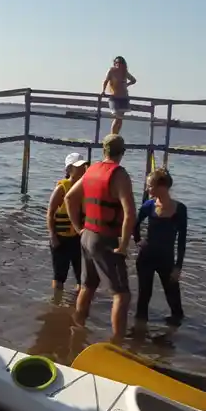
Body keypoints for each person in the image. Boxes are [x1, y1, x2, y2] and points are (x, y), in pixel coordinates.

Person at [65, 132, 136, 341]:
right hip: (105, 239)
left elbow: (69, 197)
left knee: (87, 286)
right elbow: (130, 213)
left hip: (87, 236)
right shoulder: (119, 174)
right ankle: (117, 344)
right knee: (121, 294)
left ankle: (77, 329)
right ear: (122, 152)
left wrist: (79, 228)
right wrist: (124, 245)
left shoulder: (92, 170)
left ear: (103, 150)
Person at [133, 167, 188, 326]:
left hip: (166, 260)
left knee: (175, 302)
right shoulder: (149, 206)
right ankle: (139, 332)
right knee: (144, 297)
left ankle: (174, 335)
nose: (147, 189)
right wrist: (138, 240)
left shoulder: (180, 209)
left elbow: (182, 240)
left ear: (162, 187)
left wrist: (178, 267)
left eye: (150, 186)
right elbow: (134, 224)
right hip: (146, 258)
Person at [47, 153, 88, 295]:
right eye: (78, 166)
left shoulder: (86, 188)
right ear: (69, 169)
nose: (83, 169)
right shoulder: (62, 188)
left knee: (81, 276)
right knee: (59, 276)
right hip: (61, 238)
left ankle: (76, 302)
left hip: (78, 238)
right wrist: (52, 235)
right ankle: (57, 301)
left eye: (84, 166)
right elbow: (50, 213)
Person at [103, 56, 136, 134]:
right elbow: (106, 81)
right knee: (117, 117)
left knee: (120, 118)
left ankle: (116, 135)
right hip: (114, 97)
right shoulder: (111, 71)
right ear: (114, 63)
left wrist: (127, 85)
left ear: (123, 64)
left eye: (121, 62)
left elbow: (133, 80)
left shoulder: (125, 72)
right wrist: (103, 91)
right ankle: (112, 135)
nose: (118, 64)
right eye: (117, 62)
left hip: (124, 96)